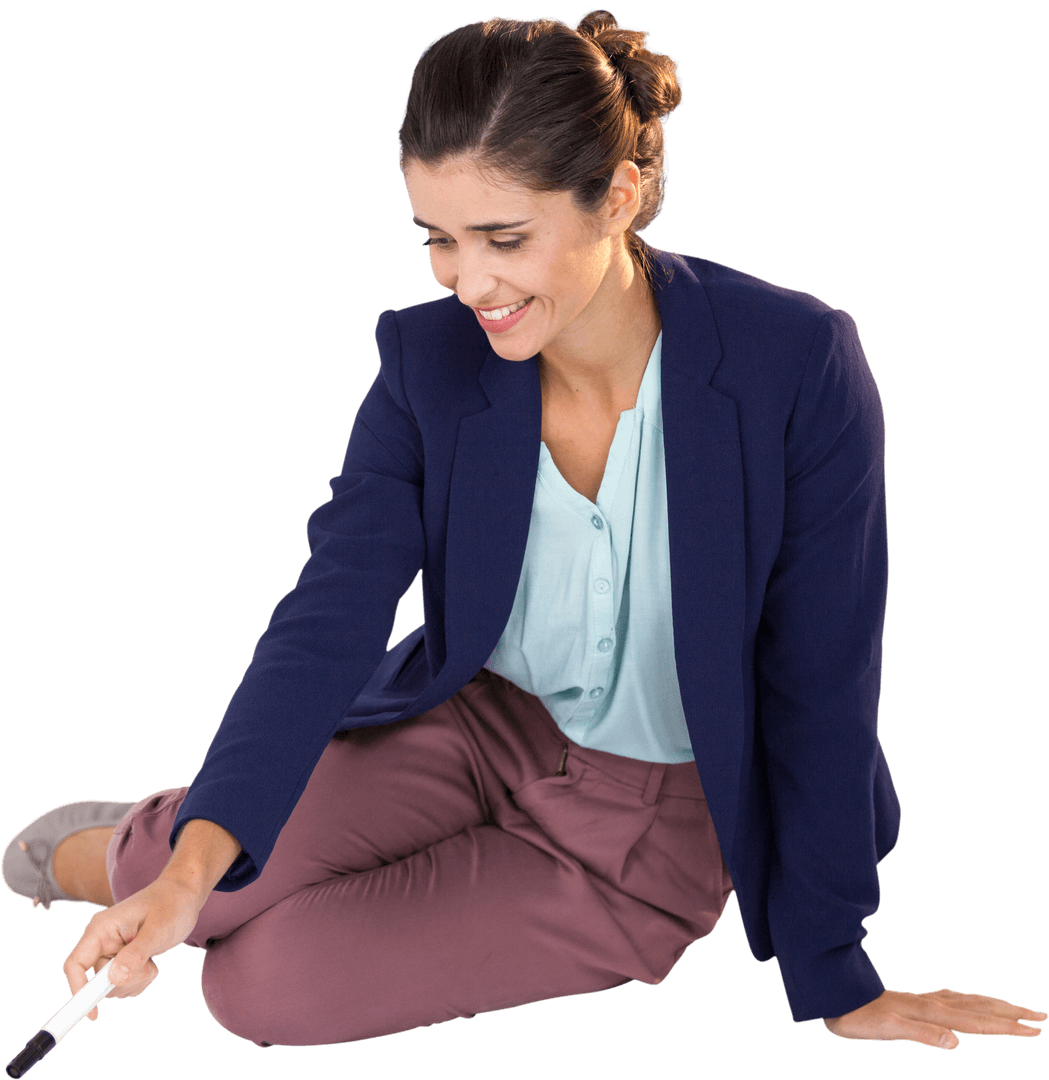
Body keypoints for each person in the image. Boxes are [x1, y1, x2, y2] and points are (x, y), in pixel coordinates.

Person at [5, 7, 1044, 1052]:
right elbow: (328, 616)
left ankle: (182, 850)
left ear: (619, 198)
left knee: (258, 991)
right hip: (471, 721)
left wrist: (837, 971)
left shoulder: (796, 363)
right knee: (182, 878)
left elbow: (820, 674)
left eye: (504, 239)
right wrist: (186, 880)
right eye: (439, 241)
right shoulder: (428, 364)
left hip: (652, 825)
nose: (469, 283)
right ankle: (121, 847)